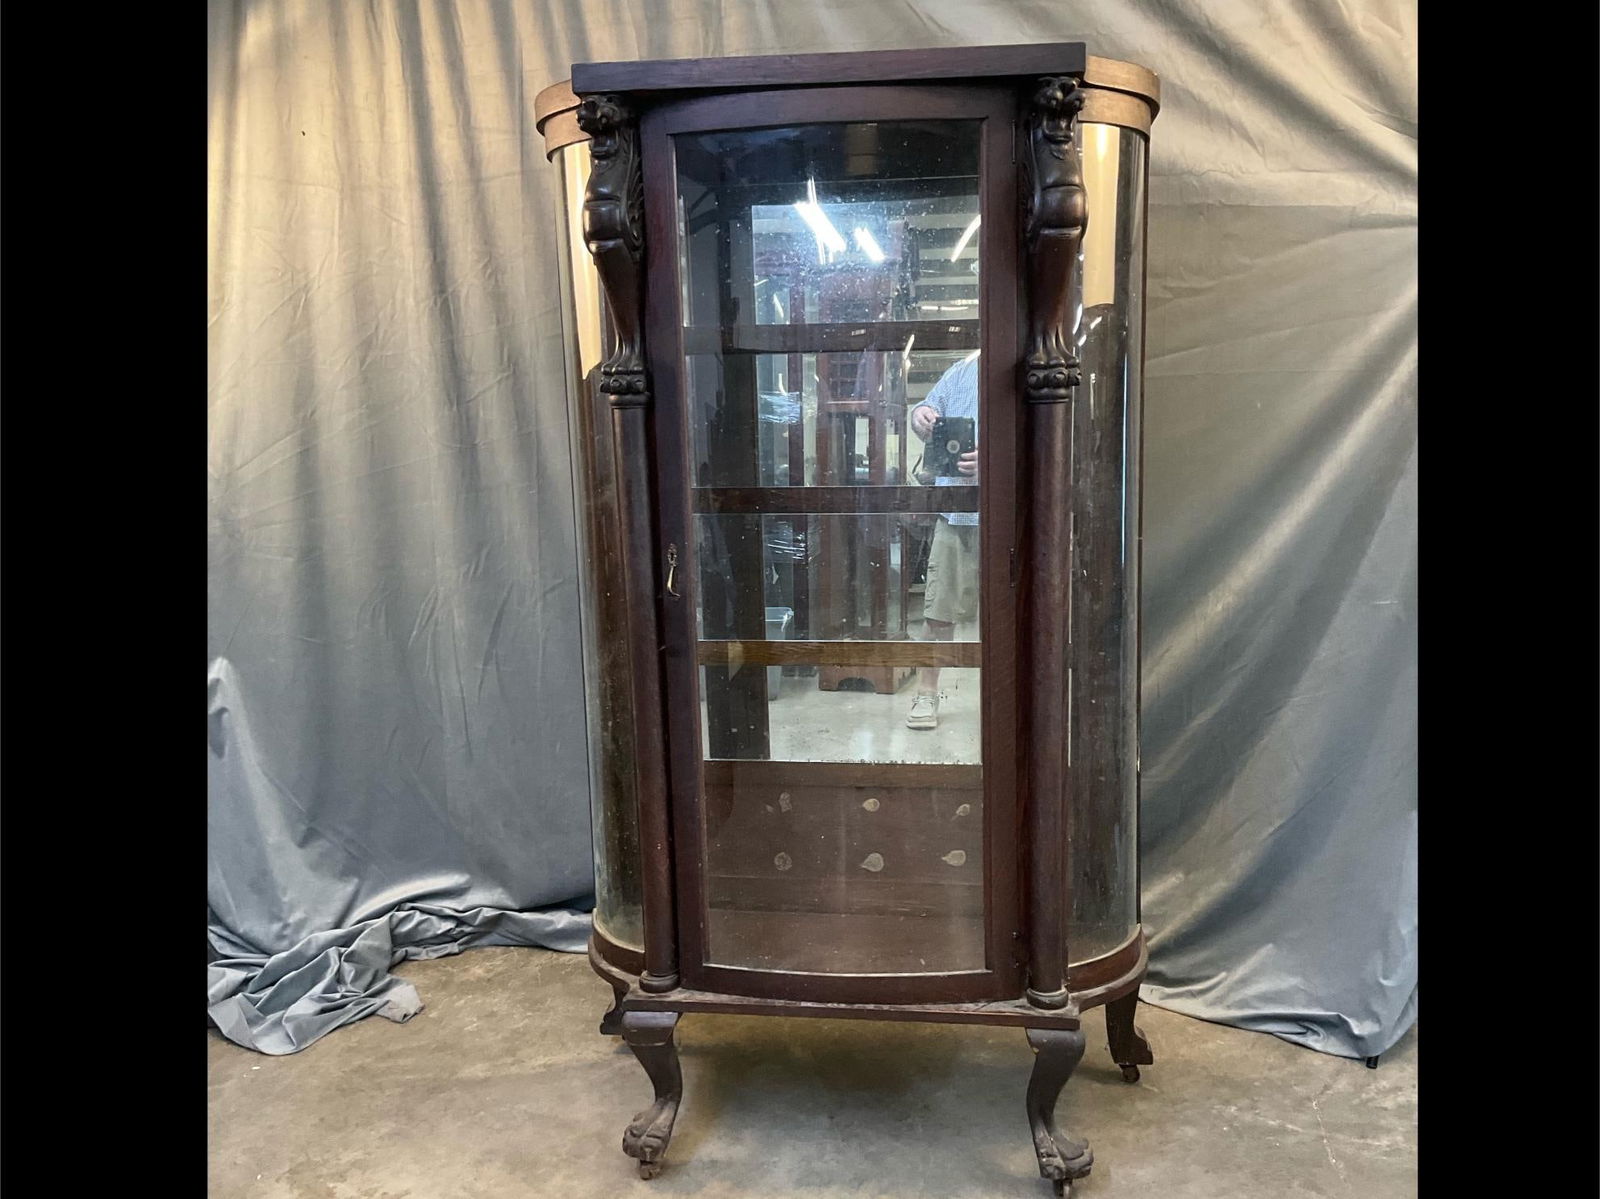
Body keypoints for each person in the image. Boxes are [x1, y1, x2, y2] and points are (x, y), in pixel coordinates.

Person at [906, 352, 979, 730]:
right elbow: (926, 408)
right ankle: (926, 694)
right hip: (956, 512)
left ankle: (1018, 699)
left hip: (1013, 515)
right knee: (938, 611)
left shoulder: (1030, 360)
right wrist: (920, 415)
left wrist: (1000, 459)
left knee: (1018, 615)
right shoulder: (963, 369)